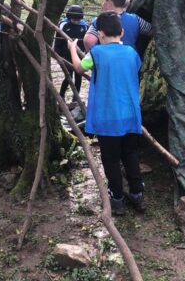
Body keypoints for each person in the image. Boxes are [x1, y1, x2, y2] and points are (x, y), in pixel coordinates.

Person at [68, 12, 145, 216]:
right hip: (130, 115)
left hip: (107, 117)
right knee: (131, 155)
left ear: (100, 34)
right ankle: (138, 194)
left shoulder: (97, 53)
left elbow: (78, 67)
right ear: (122, 32)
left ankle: (117, 199)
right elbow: (135, 68)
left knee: (110, 159)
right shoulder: (132, 53)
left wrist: (71, 49)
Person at [83, 0, 152, 52]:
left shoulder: (99, 21)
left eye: (103, 1)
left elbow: (88, 40)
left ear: (109, 3)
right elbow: (152, 31)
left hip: (106, 62)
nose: (102, 4)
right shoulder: (136, 19)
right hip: (130, 61)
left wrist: (95, 57)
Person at [53, 5, 89, 100]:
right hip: (66, 55)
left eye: (78, 19)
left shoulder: (84, 26)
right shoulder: (63, 24)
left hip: (79, 56)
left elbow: (86, 41)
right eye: (74, 19)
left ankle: (75, 98)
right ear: (69, 17)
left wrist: (84, 53)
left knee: (79, 76)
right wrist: (58, 53)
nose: (76, 21)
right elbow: (58, 40)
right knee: (68, 76)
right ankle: (61, 95)